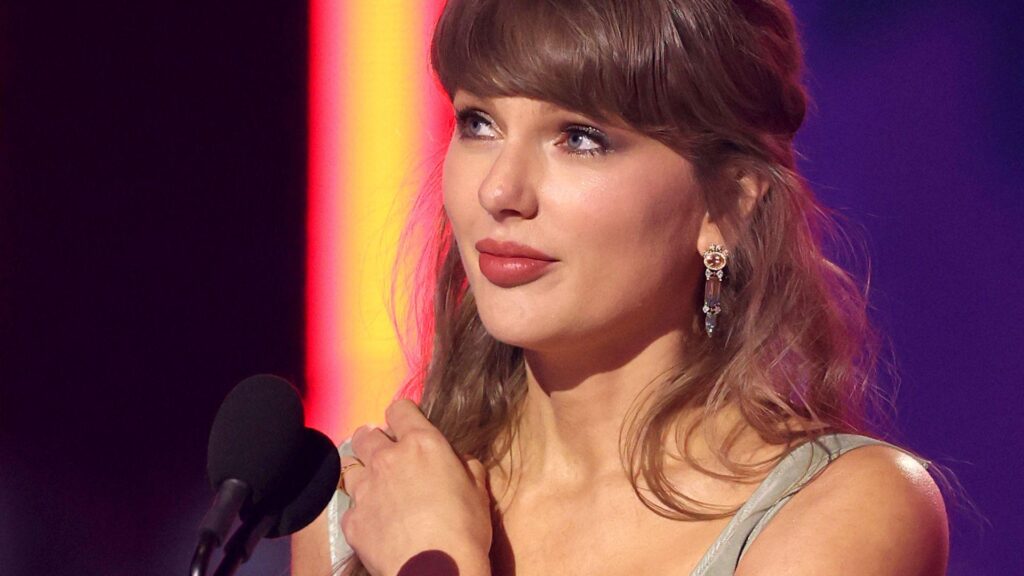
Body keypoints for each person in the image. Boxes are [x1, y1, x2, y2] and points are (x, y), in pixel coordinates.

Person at [293, 1, 949, 575]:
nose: (499, 190)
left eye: (579, 138)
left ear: (726, 205)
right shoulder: (363, 502)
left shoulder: (841, 508)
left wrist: (437, 565)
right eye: (479, 124)